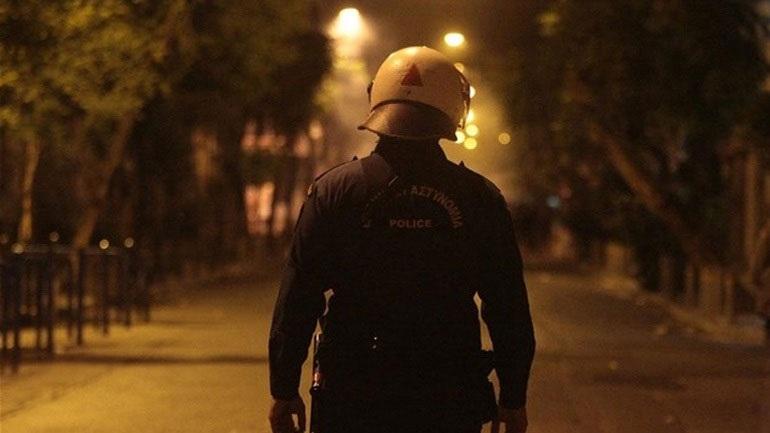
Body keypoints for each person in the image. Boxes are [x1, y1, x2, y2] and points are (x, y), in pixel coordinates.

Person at [269, 46, 535, 433]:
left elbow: (299, 295)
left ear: (377, 99)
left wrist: (283, 388)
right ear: (454, 107)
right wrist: (513, 397)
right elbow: (507, 305)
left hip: (352, 390)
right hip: (447, 392)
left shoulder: (334, 191)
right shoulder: (479, 198)